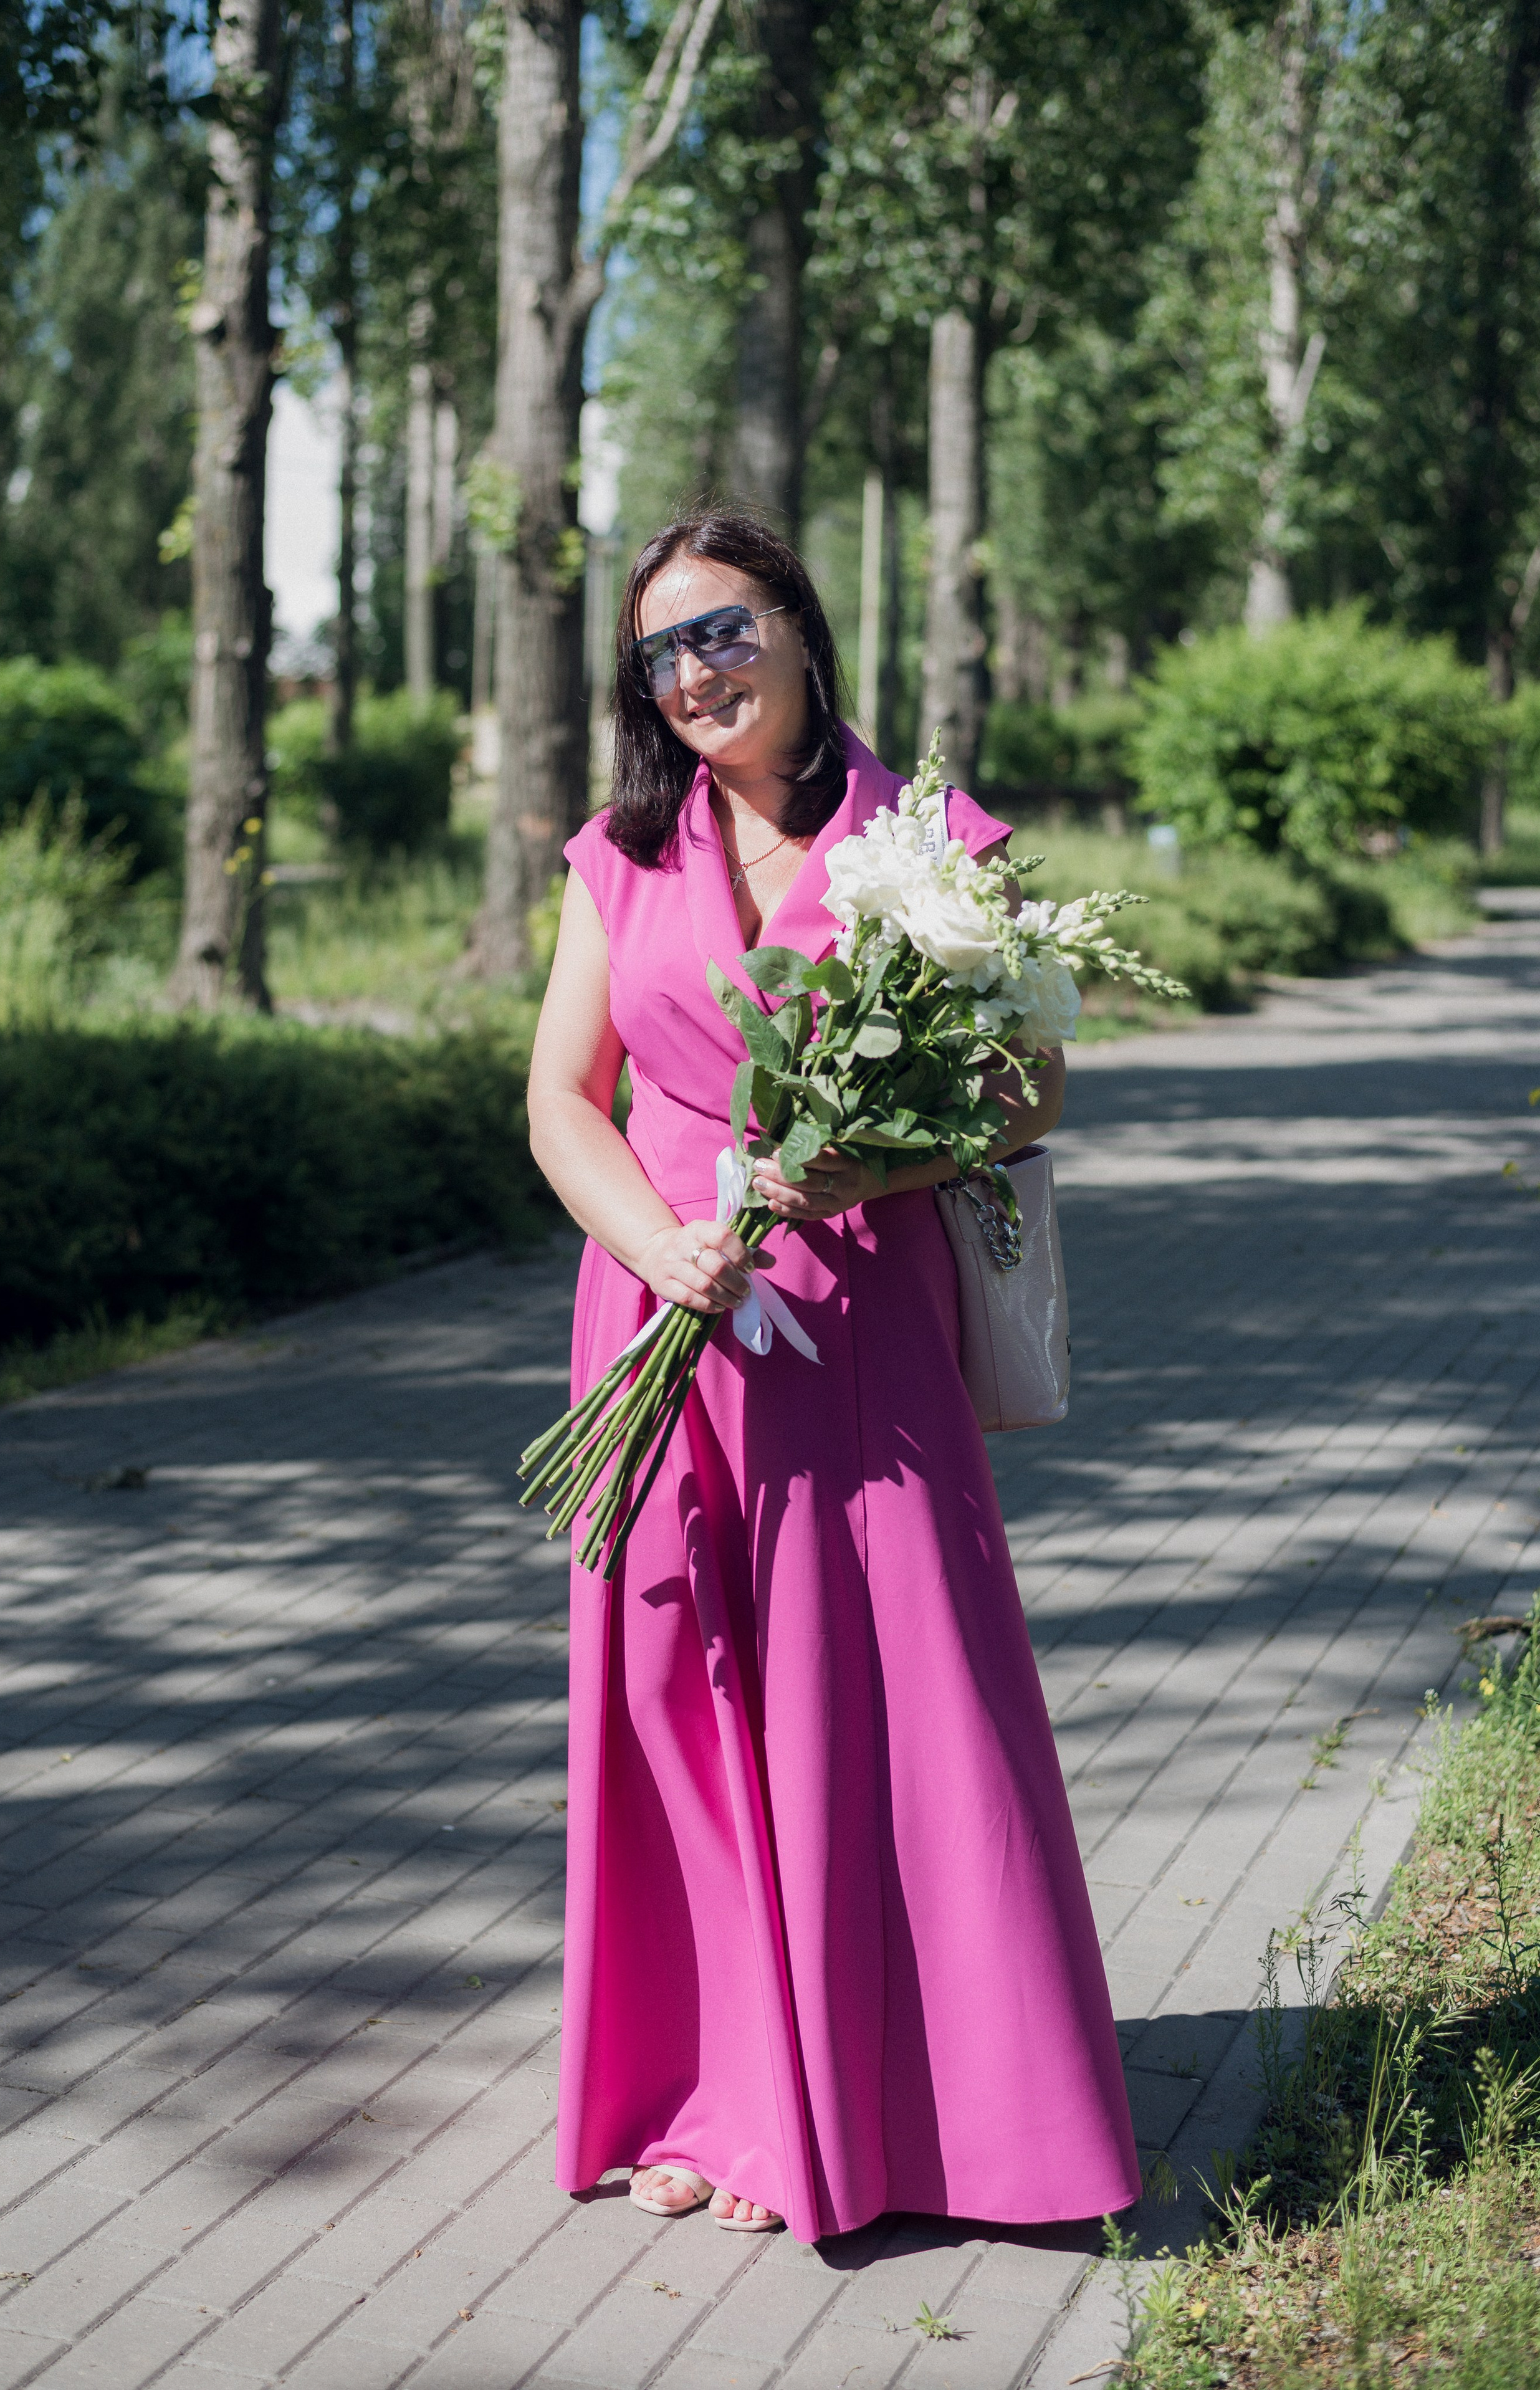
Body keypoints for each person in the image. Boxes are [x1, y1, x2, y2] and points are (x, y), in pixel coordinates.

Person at [527, 508, 1140, 2242]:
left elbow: (1029, 1093)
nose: (694, 672)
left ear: (797, 627)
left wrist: (869, 1167)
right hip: (662, 1313)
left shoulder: (934, 844)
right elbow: (560, 1099)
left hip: (861, 1321)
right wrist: (664, 1251)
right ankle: (716, 2093)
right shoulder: (616, 853)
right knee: (675, 1687)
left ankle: (909, 2124)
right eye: (659, 653)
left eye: (720, 630)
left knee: (884, 1694)